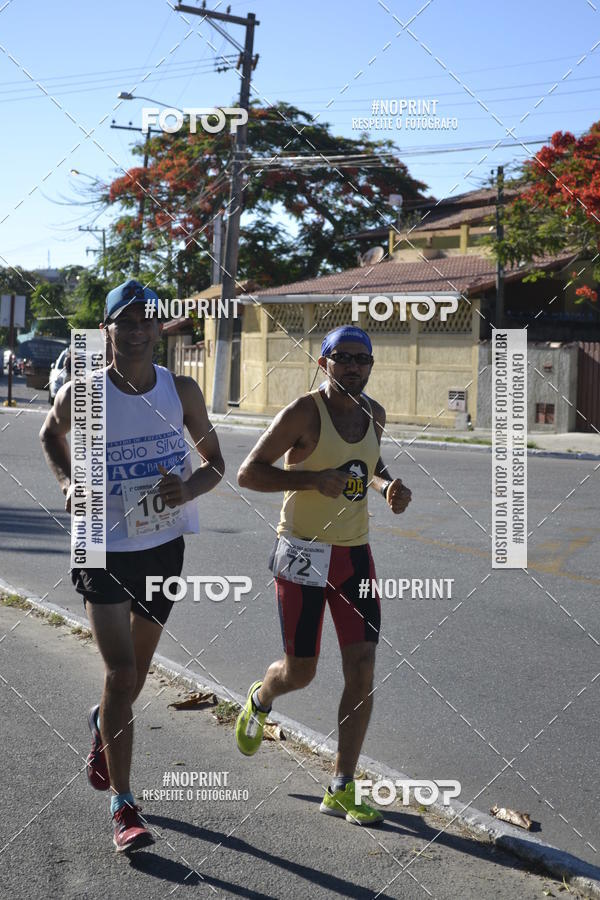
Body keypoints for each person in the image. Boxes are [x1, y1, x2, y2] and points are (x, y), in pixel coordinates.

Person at [40, 279, 224, 852]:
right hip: (100, 543)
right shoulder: (86, 392)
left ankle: (103, 723)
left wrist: (187, 488)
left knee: (133, 680)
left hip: (163, 546)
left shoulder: (182, 390)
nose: (139, 331)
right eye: (127, 321)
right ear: (108, 330)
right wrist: (70, 480)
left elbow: (217, 463)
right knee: (121, 674)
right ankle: (125, 807)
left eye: (148, 321)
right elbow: (51, 433)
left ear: (158, 328)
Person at [235, 325, 411, 826]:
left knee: (362, 668)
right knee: (301, 671)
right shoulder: (303, 413)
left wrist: (387, 487)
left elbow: (370, 466)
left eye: (363, 359)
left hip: (354, 555)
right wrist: (311, 478)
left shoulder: (374, 413)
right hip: (302, 553)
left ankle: (341, 785)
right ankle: (260, 698)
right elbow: (249, 472)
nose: (354, 366)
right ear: (323, 362)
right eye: (343, 357)